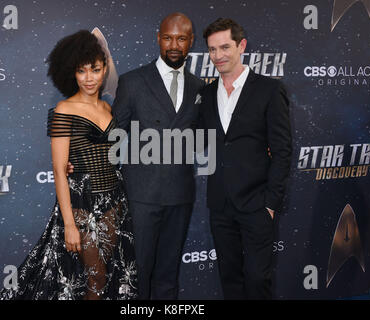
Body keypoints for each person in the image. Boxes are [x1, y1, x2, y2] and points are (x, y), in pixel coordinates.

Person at [67, 13, 203, 299]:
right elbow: (112, 134)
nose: (174, 45)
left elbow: (208, 135)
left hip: (180, 195)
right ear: (158, 39)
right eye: (167, 38)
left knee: (168, 275)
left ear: (191, 41)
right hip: (140, 197)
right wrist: (78, 161)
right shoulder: (134, 81)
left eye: (181, 38)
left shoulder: (200, 86)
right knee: (137, 275)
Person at [0, 30, 137, 300]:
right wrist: (70, 224)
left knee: (114, 275)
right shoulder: (64, 110)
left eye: (95, 69)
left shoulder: (109, 109)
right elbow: (59, 171)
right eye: (82, 71)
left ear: (104, 68)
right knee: (95, 277)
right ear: (72, 73)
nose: (89, 77)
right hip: (82, 206)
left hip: (116, 203)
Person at [197, 18, 292, 299]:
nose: (218, 56)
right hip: (220, 205)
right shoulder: (206, 93)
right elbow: (193, 138)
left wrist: (271, 205)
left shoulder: (269, 90)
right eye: (212, 50)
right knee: (230, 278)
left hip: (256, 205)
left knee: (257, 279)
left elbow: (283, 151)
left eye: (225, 47)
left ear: (242, 46)